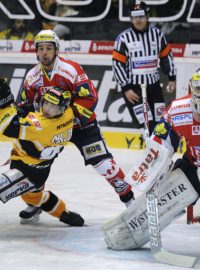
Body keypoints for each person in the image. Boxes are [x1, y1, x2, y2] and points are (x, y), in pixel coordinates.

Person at [18, 29, 134, 222]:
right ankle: (35, 201)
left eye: (49, 48)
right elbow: (26, 105)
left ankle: (130, 200)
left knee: (104, 164)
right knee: (35, 163)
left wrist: (69, 117)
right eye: (41, 49)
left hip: (81, 126)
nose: (44, 52)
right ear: (36, 52)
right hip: (50, 128)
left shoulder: (70, 69)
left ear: (56, 50)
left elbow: (90, 97)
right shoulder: (32, 76)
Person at [102, 70, 200, 250]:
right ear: (191, 90)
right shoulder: (179, 110)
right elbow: (163, 142)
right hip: (194, 166)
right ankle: (126, 233)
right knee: (166, 192)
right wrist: (156, 165)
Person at [0, 80, 84, 226]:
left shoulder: (41, 127)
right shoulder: (68, 114)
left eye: (53, 107)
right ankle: (63, 213)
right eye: (46, 103)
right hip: (40, 170)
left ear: (62, 108)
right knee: (34, 197)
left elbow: (6, 128)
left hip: (24, 170)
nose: (47, 109)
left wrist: (5, 103)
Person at [112, 0, 176, 135]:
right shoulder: (123, 38)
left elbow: (166, 56)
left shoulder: (157, 35)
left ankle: (157, 153)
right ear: (131, 18)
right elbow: (117, 65)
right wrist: (126, 88)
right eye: (135, 17)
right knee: (146, 123)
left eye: (141, 16)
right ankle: (150, 153)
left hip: (154, 87)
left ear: (147, 16)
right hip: (134, 90)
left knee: (161, 123)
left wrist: (172, 78)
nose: (138, 20)